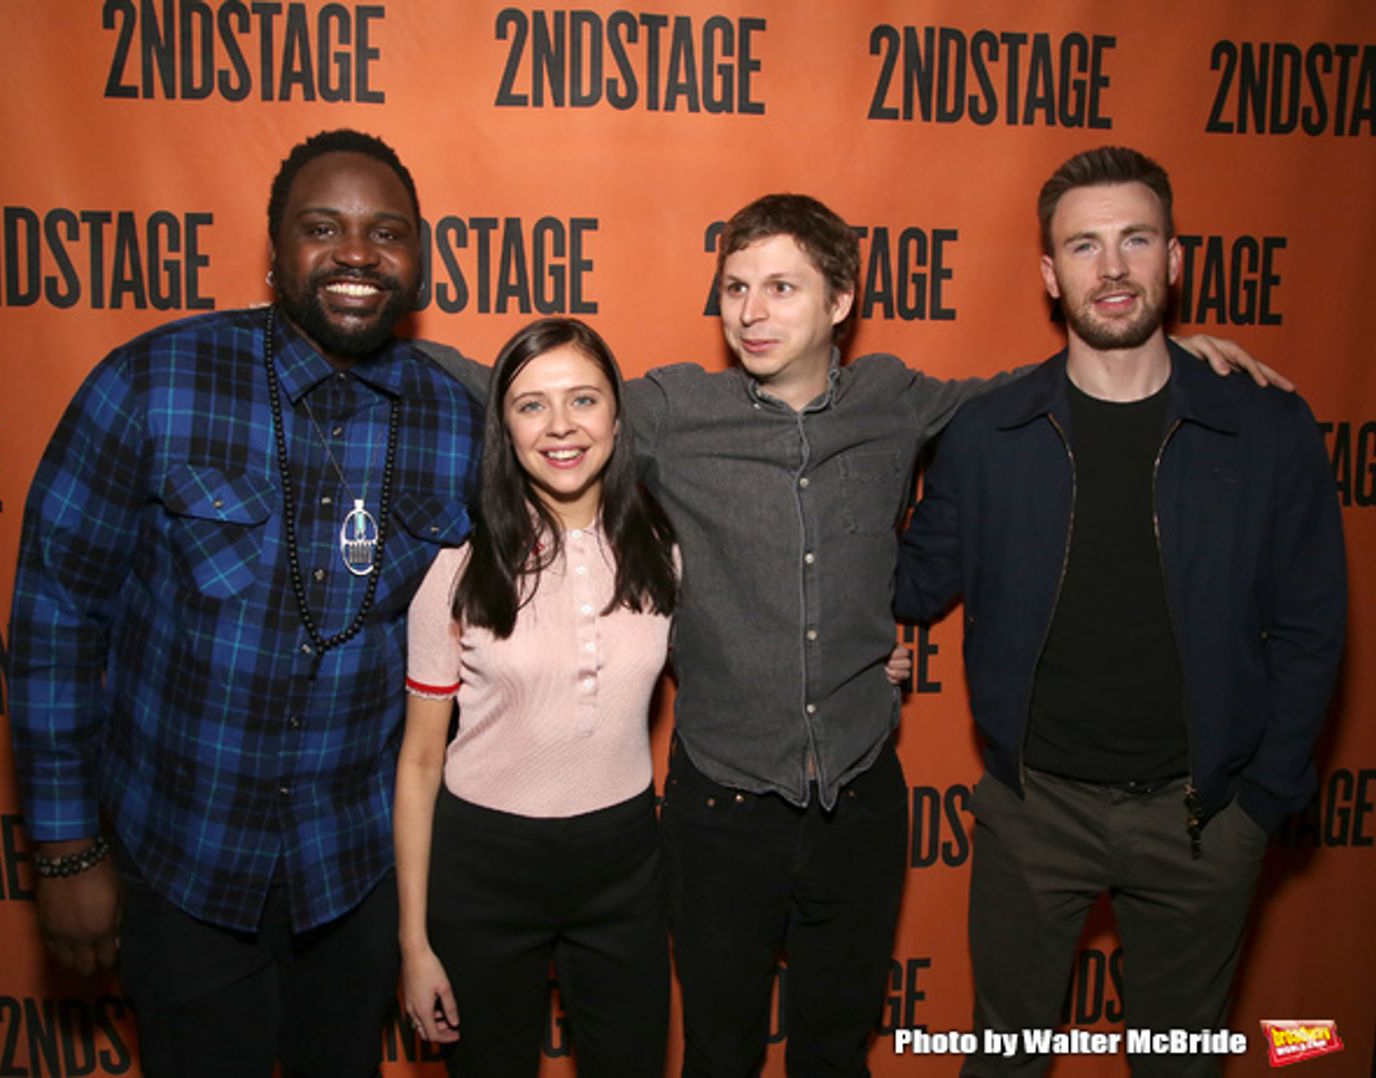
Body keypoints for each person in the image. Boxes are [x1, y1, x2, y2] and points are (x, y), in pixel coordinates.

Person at [420, 193, 1280, 1077]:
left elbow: (1026, 396)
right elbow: (511, 389)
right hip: (722, 809)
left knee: (836, 1053)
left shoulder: (894, 400)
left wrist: (1164, 358)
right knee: (720, 1053)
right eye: (735, 288)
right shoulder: (674, 410)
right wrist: (347, 330)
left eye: (782, 287)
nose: (751, 312)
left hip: (861, 803)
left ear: (840, 302)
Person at [8, 129, 479, 1078]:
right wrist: (63, 851)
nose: (356, 253)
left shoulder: (454, 418)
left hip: (355, 877)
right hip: (183, 866)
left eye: (387, 232)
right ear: (275, 253)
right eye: (323, 227)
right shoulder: (153, 383)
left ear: (418, 260)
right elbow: (55, 620)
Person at [893, 146, 1346, 1076]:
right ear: (1049, 275)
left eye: (1135, 240)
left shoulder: (1264, 426)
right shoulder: (988, 436)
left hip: (1204, 815)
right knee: (1004, 1062)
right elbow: (906, 583)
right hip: (1034, 812)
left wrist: (1259, 805)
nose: (1111, 268)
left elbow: (1313, 626)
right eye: (1084, 246)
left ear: (1174, 262)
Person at [394, 317, 679, 1077]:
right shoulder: (459, 565)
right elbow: (420, 762)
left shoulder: (663, 551)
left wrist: (866, 654)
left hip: (623, 864)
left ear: (617, 418)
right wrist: (415, 944)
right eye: (531, 405)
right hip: (482, 869)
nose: (561, 427)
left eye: (583, 400)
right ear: (504, 428)